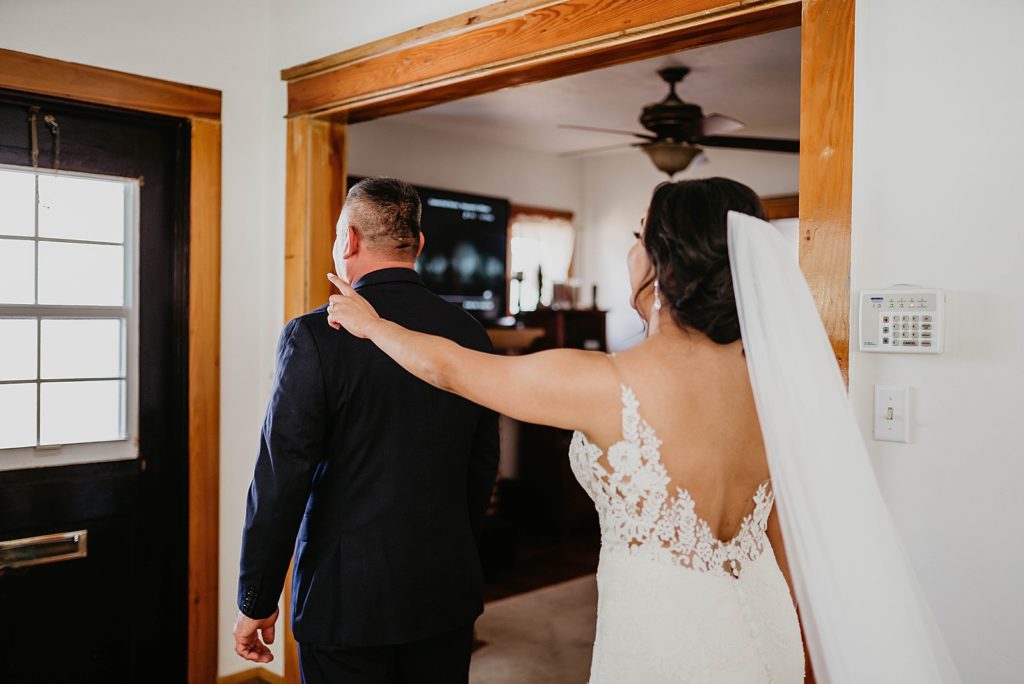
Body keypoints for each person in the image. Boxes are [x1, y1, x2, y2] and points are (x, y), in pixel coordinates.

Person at [325, 178, 960, 683]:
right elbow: (779, 533)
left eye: (637, 235)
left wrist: (371, 324)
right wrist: (805, 638)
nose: (629, 249)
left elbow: (453, 369)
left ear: (664, 263)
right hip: (765, 618)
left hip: (664, 633)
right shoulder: (774, 383)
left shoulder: (605, 382)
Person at [233, 177, 500, 684]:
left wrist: (256, 599)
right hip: (445, 587)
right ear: (418, 245)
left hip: (345, 599)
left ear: (349, 240)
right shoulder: (469, 332)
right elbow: (481, 462)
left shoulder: (312, 336)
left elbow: (280, 479)